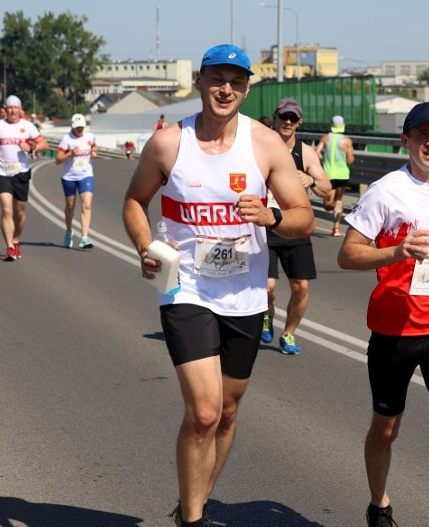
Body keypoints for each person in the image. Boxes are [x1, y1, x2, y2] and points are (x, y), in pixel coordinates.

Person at [122, 44, 314, 527]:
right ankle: (192, 521)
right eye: (216, 79)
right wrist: (146, 246)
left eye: (236, 81)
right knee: (205, 413)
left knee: (228, 412)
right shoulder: (169, 143)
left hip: (245, 293)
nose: (225, 89)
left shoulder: (266, 144)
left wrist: (270, 216)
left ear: (247, 88)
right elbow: (134, 202)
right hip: (186, 287)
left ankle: (195, 501)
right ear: (200, 82)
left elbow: (304, 218)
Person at [337, 102, 429, 527]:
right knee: (386, 428)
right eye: (423, 135)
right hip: (394, 326)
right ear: (407, 140)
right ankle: (378, 504)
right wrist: (396, 251)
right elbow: (347, 255)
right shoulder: (384, 191)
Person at [262, 98, 331, 354]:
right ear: (276, 118)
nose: (287, 122)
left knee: (301, 287)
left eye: (293, 118)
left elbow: (327, 189)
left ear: (299, 122)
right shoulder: (260, 146)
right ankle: (266, 313)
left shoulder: (305, 152)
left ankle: (289, 333)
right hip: (266, 224)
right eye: (283, 117)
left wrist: (311, 179)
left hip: (296, 225)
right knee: (268, 286)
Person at [0, 95, 47, 261]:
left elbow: (43, 144)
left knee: (19, 212)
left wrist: (31, 146)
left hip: (21, 172)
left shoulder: (28, 126)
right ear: (5, 109)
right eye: (9, 107)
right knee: (6, 210)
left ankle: (16, 239)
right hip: (2, 171)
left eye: (15, 107)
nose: (12, 110)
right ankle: (10, 246)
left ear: (20, 109)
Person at [56, 113, 98, 249]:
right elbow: (58, 160)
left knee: (86, 205)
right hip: (69, 176)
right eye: (77, 127)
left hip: (86, 174)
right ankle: (68, 231)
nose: (79, 130)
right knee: (70, 206)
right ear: (72, 127)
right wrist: (70, 154)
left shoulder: (90, 137)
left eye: (81, 127)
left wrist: (94, 152)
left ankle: (84, 237)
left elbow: (94, 146)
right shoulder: (67, 139)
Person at [315, 114, 355, 236]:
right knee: (338, 201)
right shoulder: (347, 141)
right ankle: (336, 227)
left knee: (327, 205)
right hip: (343, 175)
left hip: (329, 175)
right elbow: (350, 160)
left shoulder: (326, 138)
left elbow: (316, 152)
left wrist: (323, 159)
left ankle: (336, 220)